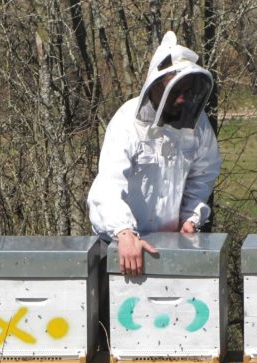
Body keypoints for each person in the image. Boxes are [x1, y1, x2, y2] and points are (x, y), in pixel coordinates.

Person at [87, 31, 221, 276]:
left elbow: (203, 175)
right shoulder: (127, 122)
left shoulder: (198, 124)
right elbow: (109, 183)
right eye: (176, 90)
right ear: (157, 84)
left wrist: (190, 218)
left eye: (188, 91)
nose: (182, 99)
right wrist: (124, 232)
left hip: (170, 246)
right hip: (120, 246)